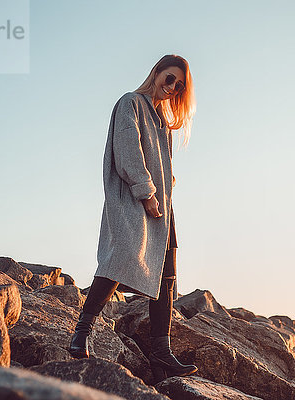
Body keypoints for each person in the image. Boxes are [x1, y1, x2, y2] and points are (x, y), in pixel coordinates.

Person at [69, 54, 197, 382]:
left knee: (166, 279)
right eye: (170, 79)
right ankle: (81, 333)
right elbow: (128, 151)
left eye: (179, 86)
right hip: (136, 200)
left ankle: (161, 355)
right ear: (156, 72)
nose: (172, 88)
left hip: (162, 206)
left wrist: (163, 195)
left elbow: (163, 165)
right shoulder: (131, 103)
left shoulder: (161, 121)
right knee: (118, 260)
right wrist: (146, 192)